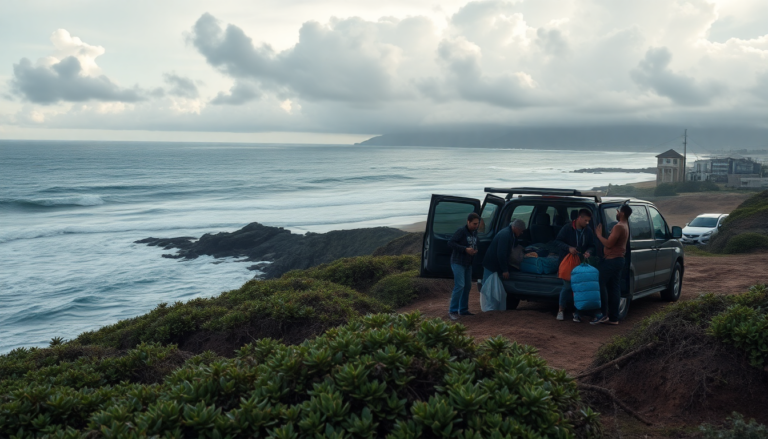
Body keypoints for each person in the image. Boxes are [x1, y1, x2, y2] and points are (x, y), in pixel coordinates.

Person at [592, 204, 632, 325]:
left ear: (622, 213)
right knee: (614, 288)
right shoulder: (625, 225)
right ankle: (614, 318)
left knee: (600, 283)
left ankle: (604, 314)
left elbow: (609, 244)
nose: (617, 212)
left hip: (612, 260)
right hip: (618, 260)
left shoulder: (619, 226)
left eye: (618, 211)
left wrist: (598, 235)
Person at [554, 209, 596, 322]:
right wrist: (568, 248)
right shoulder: (567, 228)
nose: (587, 223)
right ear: (579, 218)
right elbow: (557, 241)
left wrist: (589, 252)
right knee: (567, 287)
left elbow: (592, 245)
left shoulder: (588, 231)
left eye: (588, 221)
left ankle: (577, 313)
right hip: (567, 262)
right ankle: (561, 310)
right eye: (586, 220)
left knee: (579, 288)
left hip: (581, 263)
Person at [447, 213, 480, 320]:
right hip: (458, 262)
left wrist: (474, 250)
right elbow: (451, 243)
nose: (476, 226)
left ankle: (463, 310)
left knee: (467, 286)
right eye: (474, 224)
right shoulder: (461, 231)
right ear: (468, 222)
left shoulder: (474, 232)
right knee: (460, 285)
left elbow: (474, 243)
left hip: (468, 263)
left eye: (477, 224)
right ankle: (453, 311)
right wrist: (465, 249)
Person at [482, 218, 526, 286]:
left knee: (492, 288)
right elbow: (501, 254)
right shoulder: (505, 235)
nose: (521, 233)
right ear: (516, 228)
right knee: (487, 287)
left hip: (495, 265)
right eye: (521, 230)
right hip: (491, 265)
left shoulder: (511, 234)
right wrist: (505, 270)